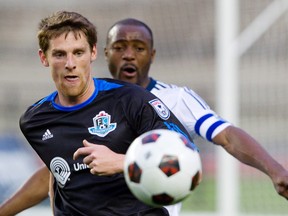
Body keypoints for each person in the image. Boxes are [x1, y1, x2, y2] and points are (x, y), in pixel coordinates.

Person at [1, 17, 288, 216]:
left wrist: (276, 171)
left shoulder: (173, 98)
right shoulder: (45, 116)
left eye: (137, 48)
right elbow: (60, 172)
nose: (128, 55)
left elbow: (223, 137)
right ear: (104, 53)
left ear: (151, 54)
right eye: (119, 48)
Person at [12, 11, 198, 216]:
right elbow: (56, 176)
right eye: (59, 54)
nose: (70, 63)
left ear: (93, 52)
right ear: (43, 57)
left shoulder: (131, 99)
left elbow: (187, 154)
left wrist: (123, 162)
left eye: (78, 52)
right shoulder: (34, 121)